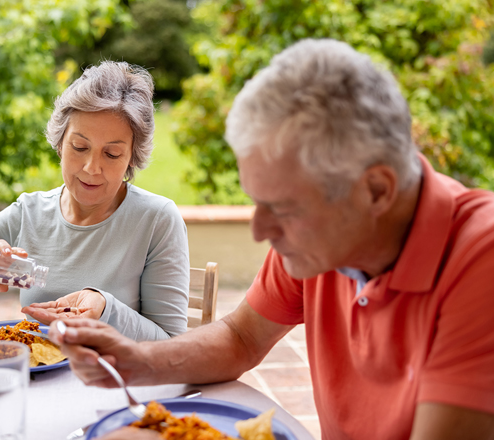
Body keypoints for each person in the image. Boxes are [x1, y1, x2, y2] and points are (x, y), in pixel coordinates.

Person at [49, 39, 494, 439]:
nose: (260, 229)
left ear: (376, 190)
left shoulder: (480, 261)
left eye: (283, 207)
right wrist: (134, 361)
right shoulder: (322, 237)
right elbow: (241, 338)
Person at [0, 61, 190, 341]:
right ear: (59, 143)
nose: (92, 168)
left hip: (114, 380)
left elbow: (172, 345)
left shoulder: (156, 220)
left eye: (112, 154)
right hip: (38, 378)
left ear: (132, 158)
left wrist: (104, 310)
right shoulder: (28, 214)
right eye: (79, 147)